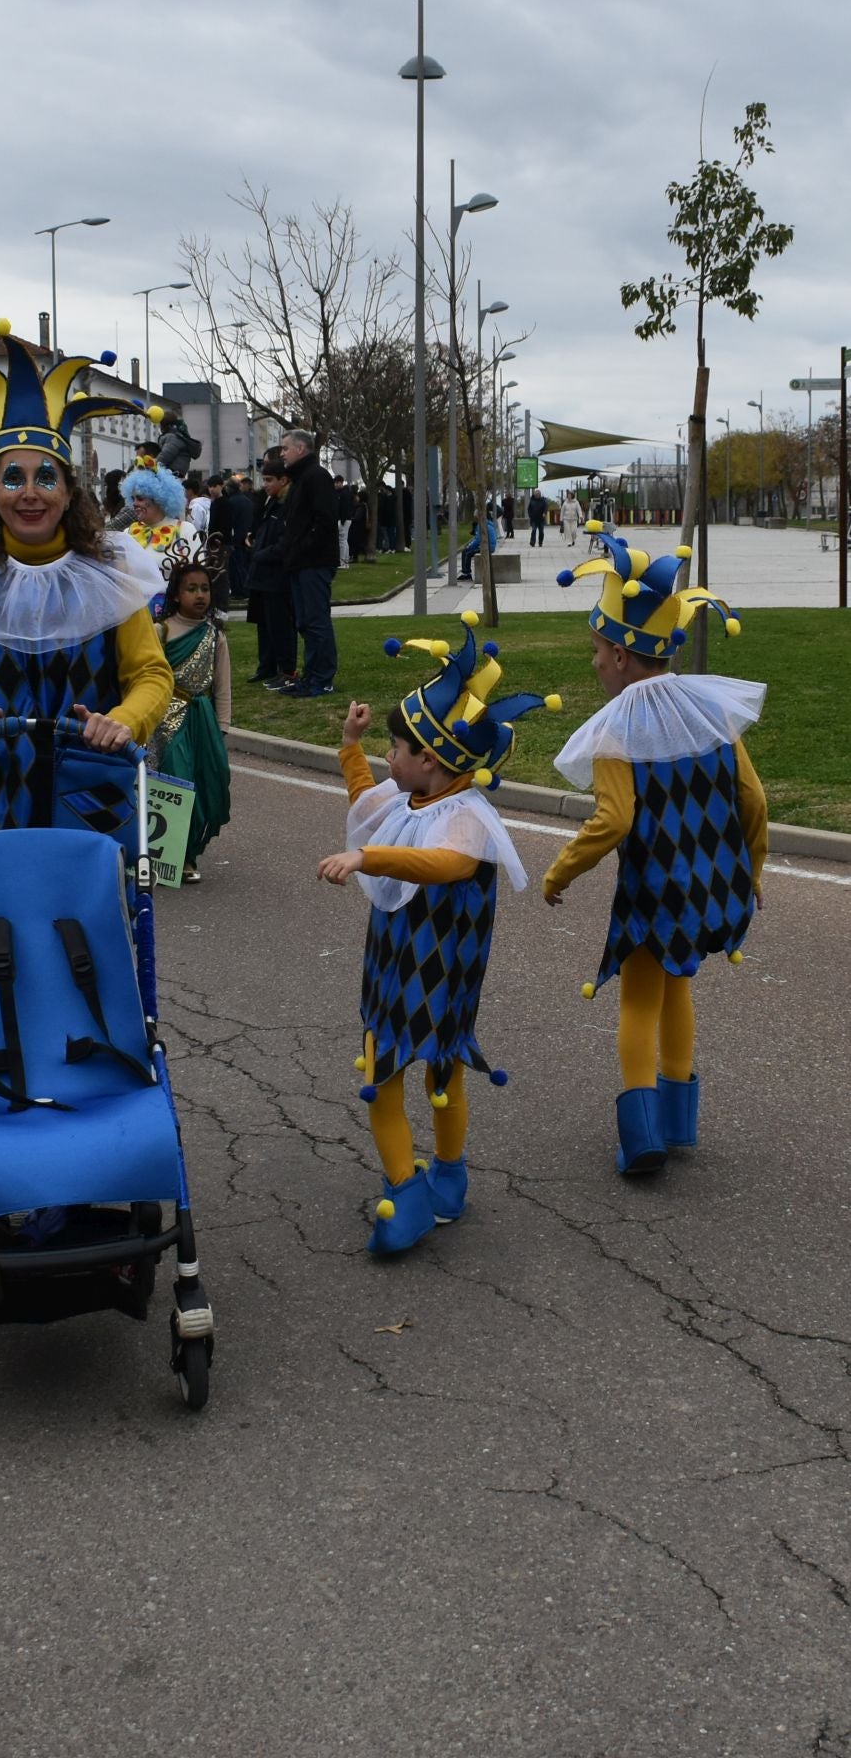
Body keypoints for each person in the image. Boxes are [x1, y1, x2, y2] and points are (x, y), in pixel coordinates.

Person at [316, 615, 558, 1252]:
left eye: (394, 748)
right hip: (394, 964)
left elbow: (447, 864)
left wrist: (369, 859)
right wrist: (349, 745)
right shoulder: (412, 797)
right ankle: (415, 1185)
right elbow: (367, 801)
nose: (386, 758)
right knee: (391, 1070)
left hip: (440, 973)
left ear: (428, 758)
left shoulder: (466, 817)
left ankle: (436, 1184)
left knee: (435, 1075)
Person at [545, 532, 768, 1174]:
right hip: (705, 887)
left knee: (639, 1002)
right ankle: (678, 1121)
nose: (593, 664)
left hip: (652, 892)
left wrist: (560, 872)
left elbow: (613, 819)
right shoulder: (708, 710)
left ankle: (642, 1135)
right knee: (679, 989)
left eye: (595, 652)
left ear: (619, 655)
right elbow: (752, 798)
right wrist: (749, 871)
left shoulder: (617, 729)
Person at [0, 321, 174, 832]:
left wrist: (123, 721)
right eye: (13, 478)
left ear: (69, 493)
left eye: (45, 477)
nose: (30, 493)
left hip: (89, 790)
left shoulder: (110, 572)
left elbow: (150, 675)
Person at [152, 557, 231, 885]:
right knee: (177, 780)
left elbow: (222, 685)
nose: (200, 595)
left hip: (204, 720)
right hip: (167, 720)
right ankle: (173, 856)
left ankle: (189, 852)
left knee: (206, 782)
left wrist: (222, 725)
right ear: (175, 594)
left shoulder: (215, 636)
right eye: (191, 589)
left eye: (205, 589)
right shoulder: (160, 631)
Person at [277, 428, 340, 698]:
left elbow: (325, 521)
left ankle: (322, 679)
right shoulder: (302, 478)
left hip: (313, 562)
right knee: (305, 622)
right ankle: (311, 676)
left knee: (316, 621)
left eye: (285, 448)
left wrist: (302, 548)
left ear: (301, 448)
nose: (282, 454)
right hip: (300, 562)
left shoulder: (316, 477)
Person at [246, 450, 296, 686]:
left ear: (283, 480)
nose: (264, 484)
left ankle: (286, 670)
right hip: (262, 575)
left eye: (269, 480)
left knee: (280, 626)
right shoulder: (270, 502)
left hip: (276, 576)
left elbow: (284, 543)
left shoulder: (287, 505)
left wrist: (260, 554)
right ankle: (266, 666)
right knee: (264, 625)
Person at [120, 462, 204, 590]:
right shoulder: (128, 533)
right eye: (133, 498)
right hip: (137, 602)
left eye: (140, 498)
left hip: (173, 601)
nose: (135, 504)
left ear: (159, 500)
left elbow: (199, 575)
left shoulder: (185, 530)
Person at [459, 512, 498, 581]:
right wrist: (469, 545)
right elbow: (478, 538)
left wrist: (469, 547)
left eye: (476, 518)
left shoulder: (481, 525)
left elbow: (477, 540)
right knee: (466, 551)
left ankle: (467, 574)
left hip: (487, 547)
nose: (475, 519)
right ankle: (466, 573)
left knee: (467, 553)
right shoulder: (488, 523)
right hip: (490, 546)